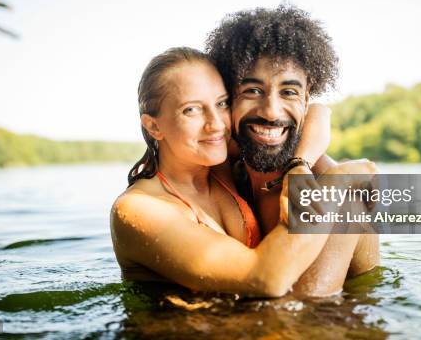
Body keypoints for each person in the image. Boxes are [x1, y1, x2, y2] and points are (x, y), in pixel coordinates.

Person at [110, 47, 375, 297]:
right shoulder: (139, 208)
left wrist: (300, 164)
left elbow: (316, 112)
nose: (215, 124)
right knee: (344, 198)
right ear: (154, 127)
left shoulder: (218, 161)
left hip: (245, 320)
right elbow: (266, 278)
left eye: (222, 104)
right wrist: (338, 183)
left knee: (352, 208)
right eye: (191, 110)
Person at [206, 4, 380, 296]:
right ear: (228, 98)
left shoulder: (335, 190)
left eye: (288, 92)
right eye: (252, 91)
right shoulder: (230, 164)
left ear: (304, 99)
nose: (271, 111)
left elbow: (303, 318)